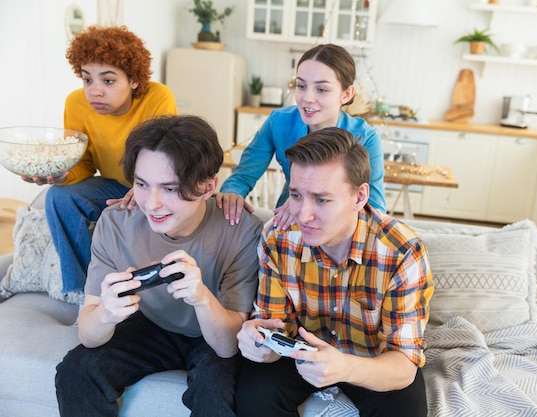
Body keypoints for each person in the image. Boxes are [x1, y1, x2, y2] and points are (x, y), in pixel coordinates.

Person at [55, 115, 262, 416]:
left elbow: (227, 346)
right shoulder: (116, 223)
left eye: (169, 188)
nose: (151, 204)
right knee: (77, 371)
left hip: (214, 331)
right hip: (149, 325)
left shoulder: (241, 229)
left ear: (208, 186)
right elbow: (88, 333)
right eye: (142, 184)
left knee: (216, 389)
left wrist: (202, 298)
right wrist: (106, 314)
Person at [235, 127, 433, 417]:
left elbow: (404, 363)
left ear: (359, 196)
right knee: (253, 396)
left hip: (373, 359)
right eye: (296, 195)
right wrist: (259, 343)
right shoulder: (277, 239)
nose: (303, 215)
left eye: (322, 199)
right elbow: (274, 326)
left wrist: (346, 367)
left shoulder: (401, 252)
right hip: (298, 352)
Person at [24, 25, 178, 293]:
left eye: (108, 81)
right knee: (58, 196)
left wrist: (141, 189)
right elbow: (84, 163)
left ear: (133, 80)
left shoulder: (157, 97)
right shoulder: (75, 104)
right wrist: (63, 175)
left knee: (151, 209)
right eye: (87, 79)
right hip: (113, 185)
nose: (94, 91)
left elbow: (165, 162)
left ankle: (155, 293)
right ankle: (86, 292)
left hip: (158, 187)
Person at [217, 43, 386, 228]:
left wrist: (312, 205)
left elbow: (376, 209)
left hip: (337, 227)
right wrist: (232, 192)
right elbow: (242, 176)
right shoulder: (279, 122)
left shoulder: (366, 138)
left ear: (346, 94)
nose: (307, 97)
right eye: (301, 85)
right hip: (288, 220)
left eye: (321, 89)